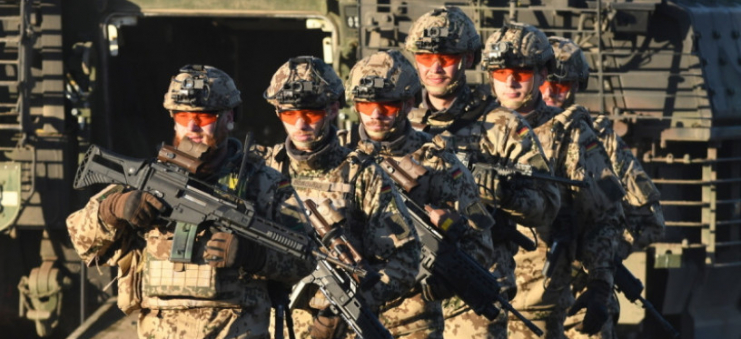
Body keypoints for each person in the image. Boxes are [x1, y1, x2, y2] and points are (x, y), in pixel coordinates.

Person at [66, 65, 314, 339]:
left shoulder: (265, 184)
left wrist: (254, 255)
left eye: (204, 116)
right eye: (183, 116)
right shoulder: (147, 178)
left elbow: (307, 259)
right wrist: (112, 209)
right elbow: (81, 242)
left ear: (229, 117)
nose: (192, 127)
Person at [403, 7, 560, 339]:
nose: (434, 67)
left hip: (474, 283)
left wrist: (503, 193)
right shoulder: (401, 122)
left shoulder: (502, 124)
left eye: (446, 58)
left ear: (468, 59)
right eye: (425, 57)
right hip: (408, 287)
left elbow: (546, 204)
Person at [479, 23, 626, 339]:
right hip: (471, 300)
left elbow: (604, 215)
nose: (510, 82)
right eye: (501, 72)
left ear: (542, 73)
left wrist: (600, 283)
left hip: (538, 301)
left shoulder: (569, 132)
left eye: (521, 72)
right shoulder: (471, 126)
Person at [263, 55, 421, 339]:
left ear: (333, 109)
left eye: (311, 114)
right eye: (289, 114)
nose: (300, 124)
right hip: (278, 325)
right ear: (277, 112)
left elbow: (405, 260)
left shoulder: (362, 174)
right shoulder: (265, 167)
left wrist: (346, 308)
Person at [347, 49, 494, 339]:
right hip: (348, 316)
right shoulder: (339, 154)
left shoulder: (439, 162)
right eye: (366, 105)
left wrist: (435, 284)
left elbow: (480, 242)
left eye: (388, 105)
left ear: (409, 103)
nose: (376, 115)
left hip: (414, 321)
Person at [541, 36, 666, 338]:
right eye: (543, 82)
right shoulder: (500, 131)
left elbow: (649, 220)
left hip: (578, 296)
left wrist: (600, 257)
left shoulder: (596, 137)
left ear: (576, 86)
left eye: (561, 85)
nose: (549, 93)